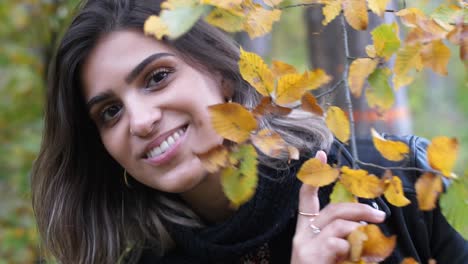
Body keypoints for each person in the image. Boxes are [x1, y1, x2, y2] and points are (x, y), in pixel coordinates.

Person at [31, 0, 467, 263]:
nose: (140, 120)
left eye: (157, 77)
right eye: (109, 112)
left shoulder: (394, 180)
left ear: (221, 73)